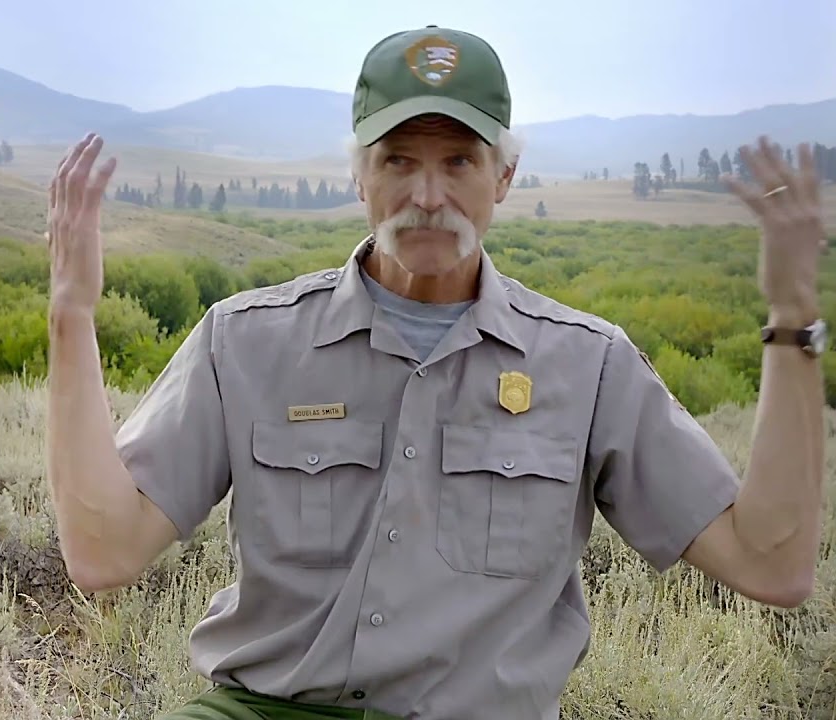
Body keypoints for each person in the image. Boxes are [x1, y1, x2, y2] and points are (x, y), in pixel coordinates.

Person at [43, 24, 828, 720]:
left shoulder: (587, 366)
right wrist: (71, 315)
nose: (427, 195)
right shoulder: (247, 342)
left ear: (505, 178)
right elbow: (103, 553)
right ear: (359, 176)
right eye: (398, 160)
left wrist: (794, 320)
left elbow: (770, 561)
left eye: (459, 160)